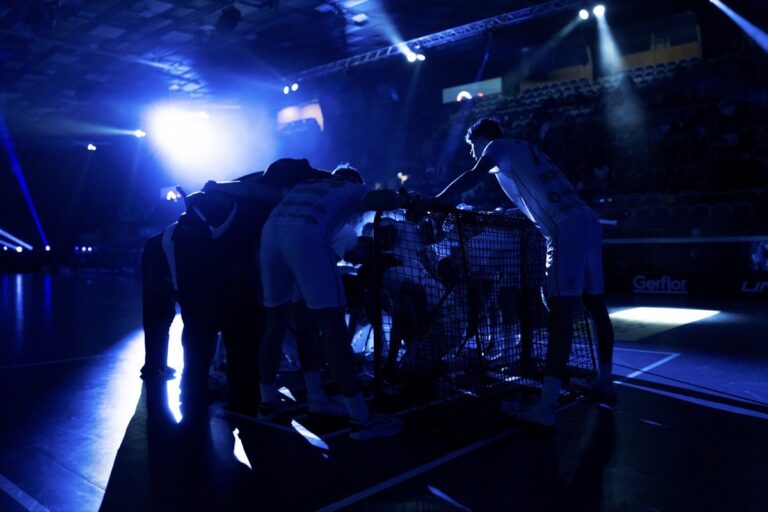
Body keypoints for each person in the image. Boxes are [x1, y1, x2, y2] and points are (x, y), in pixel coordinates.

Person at [433, 117, 616, 428]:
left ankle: (545, 407)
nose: (473, 154)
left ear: (481, 139)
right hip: (585, 218)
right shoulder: (525, 150)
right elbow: (539, 197)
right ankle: (605, 380)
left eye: (471, 147)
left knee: (560, 312)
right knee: (596, 305)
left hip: (564, 227)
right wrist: (508, 212)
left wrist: (436, 202)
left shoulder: (495, 147)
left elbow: (472, 175)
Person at [258, 164, 405, 440]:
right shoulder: (351, 190)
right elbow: (379, 200)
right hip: (306, 240)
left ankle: (272, 401)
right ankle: (360, 419)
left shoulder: (308, 185)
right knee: (334, 328)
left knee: (277, 323)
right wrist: (405, 199)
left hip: (271, 234)